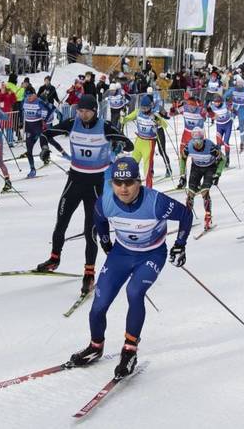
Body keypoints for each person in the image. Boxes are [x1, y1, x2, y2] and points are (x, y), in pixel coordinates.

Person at [68, 157, 193, 379]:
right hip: (122, 253)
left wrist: (180, 245)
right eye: (118, 183)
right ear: (112, 183)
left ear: (139, 182)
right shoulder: (105, 201)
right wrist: (105, 241)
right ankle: (96, 346)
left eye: (129, 183)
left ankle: (130, 350)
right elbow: (99, 218)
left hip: (152, 253)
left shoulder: (156, 202)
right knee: (98, 305)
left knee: (134, 292)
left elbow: (185, 214)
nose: (123, 189)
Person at [36, 95, 134, 295]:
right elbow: (45, 134)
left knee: (90, 231)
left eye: (86, 111)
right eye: (80, 111)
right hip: (74, 180)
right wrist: (45, 149)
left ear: (94, 111)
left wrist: (119, 143)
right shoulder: (72, 123)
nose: (82, 114)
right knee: (61, 221)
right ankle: (55, 259)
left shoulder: (104, 126)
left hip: (96, 184)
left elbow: (129, 145)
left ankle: (89, 274)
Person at [181, 127, 226, 230]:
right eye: (195, 140)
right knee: (190, 193)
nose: (197, 143)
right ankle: (187, 218)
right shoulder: (189, 146)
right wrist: (182, 175)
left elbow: (223, 159)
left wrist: (218, 174)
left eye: (199, 140)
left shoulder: (210, 146)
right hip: (196, 168)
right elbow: (182, 158)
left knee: (204, 192)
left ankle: (208, 217)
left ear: (203, 139)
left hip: (210, 168)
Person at [122, 95, 168, 187]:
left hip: (149, 143)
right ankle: (133, 184)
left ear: (150, 106)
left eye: (146, 108)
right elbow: (124, 120)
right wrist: (122, 116)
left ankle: (148, 188)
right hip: (139, 141)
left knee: (147, 169)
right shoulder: (137, 112)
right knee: (132, 164)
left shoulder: (154, 115)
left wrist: (157, 121)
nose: (144, 110)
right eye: (142, 107)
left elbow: (165, 125)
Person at [173, 91, 207, 185]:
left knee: (196, 157)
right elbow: (172, 113)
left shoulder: (200, 110)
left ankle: (197, 178)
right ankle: (182, 177)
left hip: (197, 136)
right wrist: (174, 107)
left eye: (193, 106)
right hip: (186, 134)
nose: (191, 108)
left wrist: (205, 111)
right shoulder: (184, 108)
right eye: (189, 106)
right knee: (183, 155)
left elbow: (206, 117)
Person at [20, 91, 53, 178]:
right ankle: (32, 169)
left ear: (35, 95)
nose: (29, 98)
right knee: (29, 149)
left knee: (43, 141)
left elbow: (50, 109)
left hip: (37, 126)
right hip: (29, 127)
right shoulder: (24, 100)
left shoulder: (39, 101)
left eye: (30, 96)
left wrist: (44, 120)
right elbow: (21, 110)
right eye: (27, 96)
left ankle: (46, 156)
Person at [206, 94, 234, 168]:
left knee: (226, 142)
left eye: (218, 102)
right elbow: (209, 116)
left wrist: (231, 105)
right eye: (215, 102)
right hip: (219, 126)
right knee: (218, 144)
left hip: (228, 125)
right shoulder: (212, 107)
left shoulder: (225, 105)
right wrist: (208, 112)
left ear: (221, 101)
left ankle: (227, 160)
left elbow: (232, 108)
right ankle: (219, 159)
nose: (217, 103)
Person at [0, 83, 17, 147]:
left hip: (8, 114)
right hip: (0, 115)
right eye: (2, 87)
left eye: (4, 87)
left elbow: (14, 100)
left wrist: (12, 94)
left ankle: (10, 142)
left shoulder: (9, 93)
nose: (3, 88)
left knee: (9, 129)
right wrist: (1, 93)